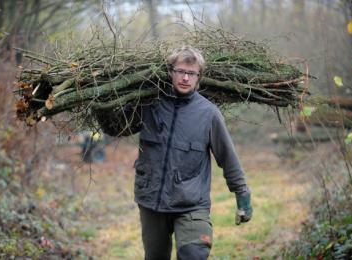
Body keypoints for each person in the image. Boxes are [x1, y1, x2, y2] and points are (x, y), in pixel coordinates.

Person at [97, 46, 253, 259]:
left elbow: (228, 158)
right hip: (151, 201)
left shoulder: (208, 114)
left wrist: (242, 195)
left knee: (193, 254)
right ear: (170, 72)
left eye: (192, 73)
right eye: (180, 71)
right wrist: (97, 101)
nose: (185, 78)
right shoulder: (149, 104)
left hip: (190, 204)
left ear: (199, 77)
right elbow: (114, 128)